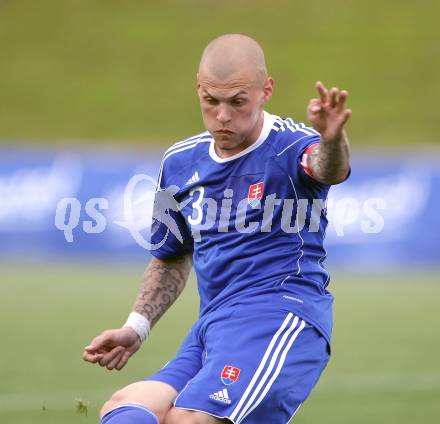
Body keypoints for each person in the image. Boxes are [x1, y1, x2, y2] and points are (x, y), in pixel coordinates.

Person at [83, 33, 352, 424]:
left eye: (237, 102)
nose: (223, 115)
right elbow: (171, 254)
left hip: (281, 316)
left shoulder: (293, 146)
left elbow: (329, 168)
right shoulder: (178, 161)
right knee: (125, 411)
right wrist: (136, 328)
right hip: (212, 328)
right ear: (198, 89)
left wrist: (332, 137)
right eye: (211, 101)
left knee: (189, 419)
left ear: (266, 90)